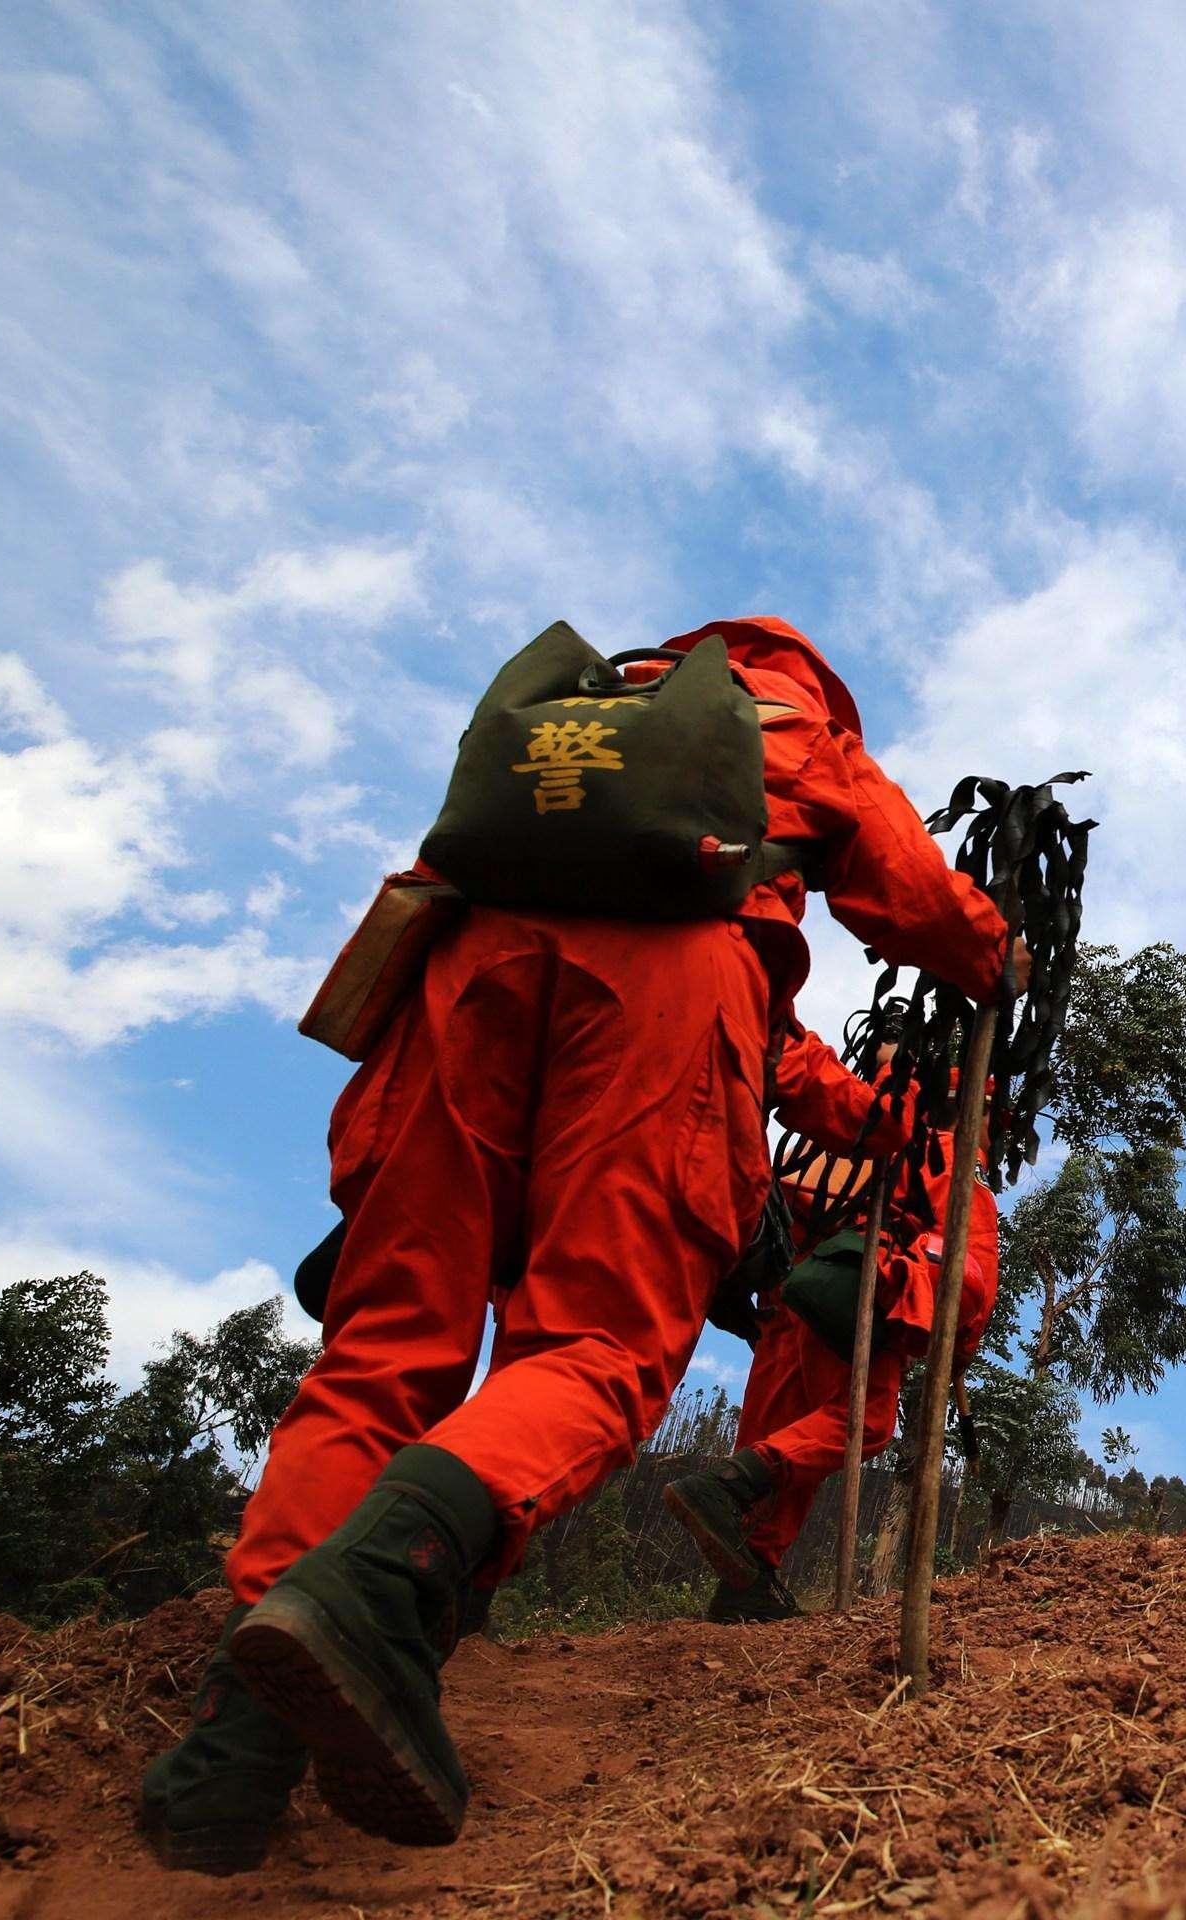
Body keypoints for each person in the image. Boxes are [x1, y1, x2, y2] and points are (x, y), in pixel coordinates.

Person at [138, 617, 1016, 1874]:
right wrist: (1003, 957)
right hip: (660, 993)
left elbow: (810, 1083)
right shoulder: (798, 727)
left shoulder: (585, 713)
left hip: (458, 973)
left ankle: (237, 1741)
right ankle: (383, 1586)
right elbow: (920, 905)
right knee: (598, 1345)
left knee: (383, 1350)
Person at [660, 1040, 1002, 1619]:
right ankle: (728, 1487)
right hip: (858, 1295)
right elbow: (970, 1271)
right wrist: (954, 1338)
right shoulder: (951, 1161)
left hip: (791, 1296)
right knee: (863, 1421)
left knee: (788, 1434)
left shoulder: (863, 1144)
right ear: (974, 1112)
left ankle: (748, 1580)